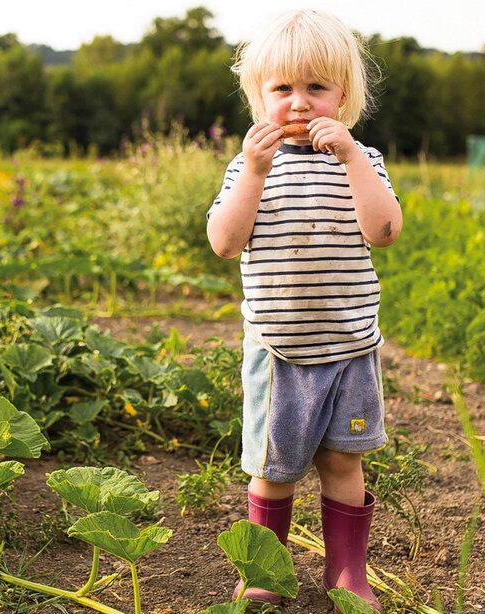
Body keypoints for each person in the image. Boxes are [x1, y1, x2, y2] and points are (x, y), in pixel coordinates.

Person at [205, 9, 401, 611]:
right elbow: (224, 242)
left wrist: (353, 159)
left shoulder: (362, 161)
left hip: (349, 346)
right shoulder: (249, 167)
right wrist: (254, 172)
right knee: (274, 469)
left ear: (343, 97)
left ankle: (346, 573)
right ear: (259, 98)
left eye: (316, 87)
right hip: (280, 348)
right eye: (282, 88)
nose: (299, 102)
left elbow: (385, 231)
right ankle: (265, 572)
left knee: (343, 460)